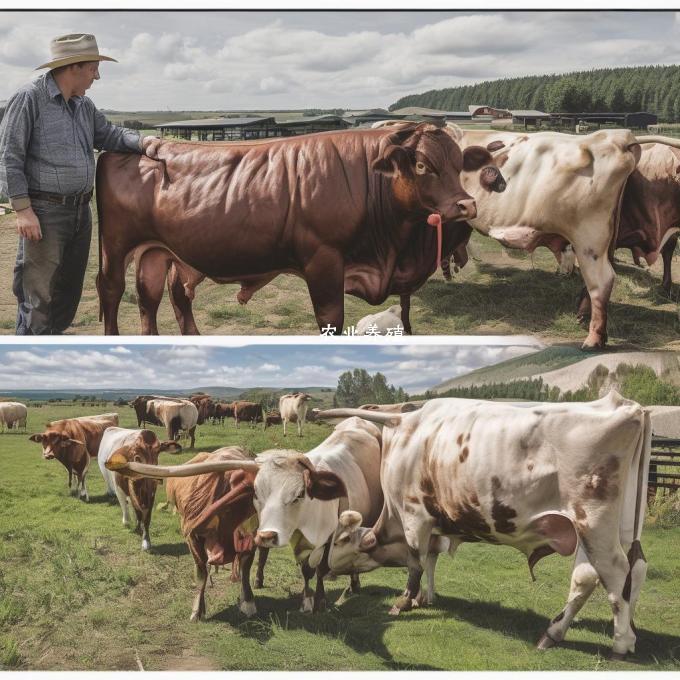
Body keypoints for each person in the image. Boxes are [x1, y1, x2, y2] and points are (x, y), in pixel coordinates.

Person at [0, 33, 151, 335]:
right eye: (94, 67)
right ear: (74, 67)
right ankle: (33, 346)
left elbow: (109, 135)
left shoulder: (83, 105)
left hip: (81, 212)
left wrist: (147, 142)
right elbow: (8, 156)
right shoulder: (30, 98)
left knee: (68, 292)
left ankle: (46, 340)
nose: (97, 75)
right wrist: (23, 210)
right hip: (45, 212)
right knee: (38, 295)